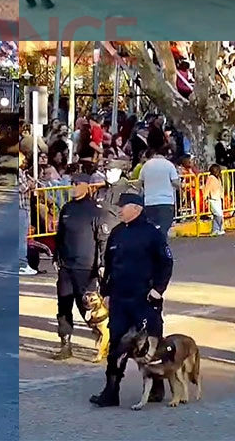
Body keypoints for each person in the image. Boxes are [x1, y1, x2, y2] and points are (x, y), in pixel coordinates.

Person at [90, 192, 173, 407]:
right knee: (117, 345)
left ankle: (156, 387)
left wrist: (158, 290)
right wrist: (106, 292)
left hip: (144, 299)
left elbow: (166, 263)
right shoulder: (117, 233)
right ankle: (111, 391)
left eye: (123, 206)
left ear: (136, 208)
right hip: (119, 298)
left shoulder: (152, 233)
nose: (119, 209)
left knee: (151, 344)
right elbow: (108, 265)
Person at [51, 172, 109, 361]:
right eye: (72, 183)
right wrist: (55, 257)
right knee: (64, 305)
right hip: (66, 267)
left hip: (87, 268)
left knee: (89, 309)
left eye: (77, 184)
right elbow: (59, 237)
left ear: (86, 186)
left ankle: (105, 342)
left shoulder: (94, 210)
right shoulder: (67, 208)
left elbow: (102, 239)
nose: (74, 187)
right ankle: (65, 345)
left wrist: (101, 264)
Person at [137, 143, 179, 238]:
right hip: (166, 202)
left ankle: (152, 250)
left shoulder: (146, 166)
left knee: (151, 230)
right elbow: (176, 183)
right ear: (165, 155)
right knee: (163, 231)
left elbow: (139, 183)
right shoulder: (169, 165)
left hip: (149, 202)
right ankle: (161, 250)